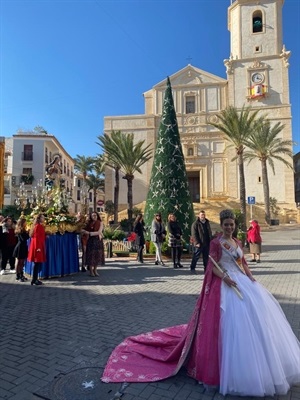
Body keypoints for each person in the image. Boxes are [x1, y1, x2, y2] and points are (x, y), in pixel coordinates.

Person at [102, 209, 300, 396]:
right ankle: (228, 370)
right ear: (221, 226)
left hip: (242, 282)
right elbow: (212, 266)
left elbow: (244, 263)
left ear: (234, 225)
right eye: (226, 225)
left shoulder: (237, 242)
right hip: (226, 284)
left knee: (256, 321)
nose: (229, 227)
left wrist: (251, 278)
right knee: (229, 326)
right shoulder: (217, 243)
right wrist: (224, 278)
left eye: (231, 224)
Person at [82, 211, 104, 277]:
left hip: (97, 240)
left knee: (97, 255)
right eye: (93, 215)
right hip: (91, 241)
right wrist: (84, 231)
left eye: (95, 215)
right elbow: (83, 229)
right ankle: (91, 271)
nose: (94, 216)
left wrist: (89, 233)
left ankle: (95, 270)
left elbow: (99, 232)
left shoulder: (100, 223)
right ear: (91, 216)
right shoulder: (88, 223)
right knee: (91, 256)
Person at [27, 214, 46, 286]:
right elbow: (37, 238)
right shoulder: (38, 226)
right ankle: (34, 279)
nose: (44, 219)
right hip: (37, 246)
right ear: (39, 219)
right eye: (43, 218)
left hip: (37, 245)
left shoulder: (37, 226)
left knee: (37, 263)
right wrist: (38, 248)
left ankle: (35, 279)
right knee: (37, 263)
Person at [13, 217, 29, 282]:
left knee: (22, 262)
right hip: (20, 247)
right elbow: (23, 239)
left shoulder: (23, 230)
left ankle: (21, 274)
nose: (26, 223)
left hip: (23, 246)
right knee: (18, 261)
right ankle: (18, 275)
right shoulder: (20, 230)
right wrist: (28, 234)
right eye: (25, 222)